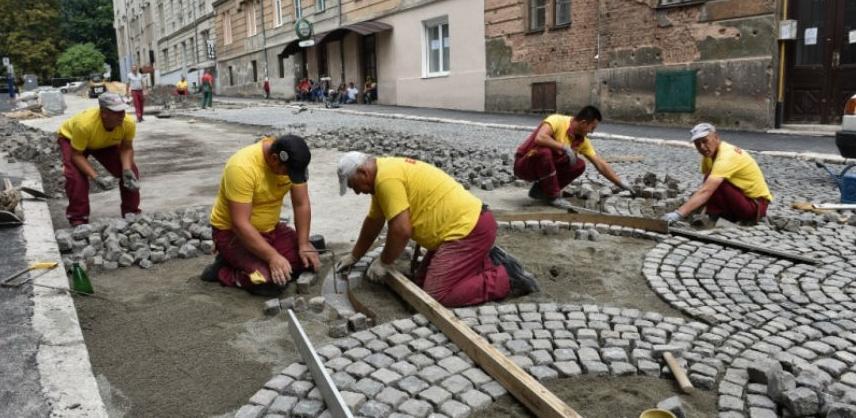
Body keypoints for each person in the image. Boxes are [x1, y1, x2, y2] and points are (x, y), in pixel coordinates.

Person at [335, 152, 538, 308]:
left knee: (436, 295)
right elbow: (373, 224)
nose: (356, 192)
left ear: (363, 172)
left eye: (354, 185)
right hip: (464, 228)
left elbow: (401, 230)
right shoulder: (385, 173)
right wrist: (354, 255)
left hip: (468, 231)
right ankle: (484, 261)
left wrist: (384, 262)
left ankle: (506, 278)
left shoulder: (386, 180)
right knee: (421, 283)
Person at [201, 135, 321, 296]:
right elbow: (240, 223)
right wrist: (273, 257)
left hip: (271, 230)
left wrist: (304, 244)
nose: (289, 176)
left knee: (307, 262)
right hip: (233, 234)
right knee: (268, 280)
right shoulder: (241, 167)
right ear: (274, 159)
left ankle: (243, 261)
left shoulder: (293, 163)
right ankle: (224, 271)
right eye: (287, 172)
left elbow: (301, 204)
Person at [513, 106, 634, 209]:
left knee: (579, 164)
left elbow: (600, 163)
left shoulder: (582, 141)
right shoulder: (557, 120)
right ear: (583, 123)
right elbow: (540, 138)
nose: (591, 132)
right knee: (545, 152)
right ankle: (553, 196)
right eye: (592, 128)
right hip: (524, 166)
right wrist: (564, 147)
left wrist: (621, 183)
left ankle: (541, 190)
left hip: (543, 170)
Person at [662, 123, 772, 224]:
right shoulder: (709, 155)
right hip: (740, 198)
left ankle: (724, 216)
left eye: (705, 141)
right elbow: (706, 184)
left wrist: (679, 213)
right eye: (697, 144)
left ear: (716, 138)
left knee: (717, 181)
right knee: (710, 177)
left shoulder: (727, 155)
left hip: (755, 206)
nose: (702, 147)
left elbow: (707, 190)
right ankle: (717, 215)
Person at [57, 93, 141, 226]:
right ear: (104, 113)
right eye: (116, 111)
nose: (122, 115)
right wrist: (95, 177)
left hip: (103, 143)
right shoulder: (85, 125)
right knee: (76, 178)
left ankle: (131, 213)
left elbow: (126, 148)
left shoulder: (128, 123)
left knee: (131, 174)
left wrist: (126, 169)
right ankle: (78, 218)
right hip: (72, 140)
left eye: (123, 110)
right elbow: (77, 155)